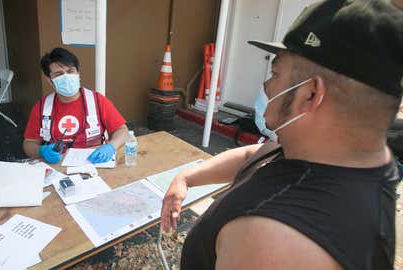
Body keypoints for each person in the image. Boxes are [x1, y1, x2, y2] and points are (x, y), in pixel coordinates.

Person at [161, 1, 403, 269]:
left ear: (309, 95)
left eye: (275, 73)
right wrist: (186, 178)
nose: (266, 85)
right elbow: (256, 154)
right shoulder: (340, 154)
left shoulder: (272, 242)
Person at [23, 48, 128, 164]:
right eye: (59, 74)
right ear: (50, 80)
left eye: (70, 71)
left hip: (94, 162)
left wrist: (112, 146)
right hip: (56, 164)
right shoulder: (41, 107)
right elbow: (28, 144)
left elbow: (122, 130)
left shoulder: (97, 101)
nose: (66, 77)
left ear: (78, 74)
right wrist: (42, 151)